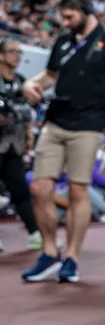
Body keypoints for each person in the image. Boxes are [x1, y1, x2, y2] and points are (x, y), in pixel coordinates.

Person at [21, 0, 105, 283]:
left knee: (78, 191)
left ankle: (71, 257)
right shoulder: (63, 41)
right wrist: (32, 83)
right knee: (40, 188)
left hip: (89, 126)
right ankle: (48, 253)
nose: (66, 22)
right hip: (55, 123)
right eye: (63, 17)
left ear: (85, 10)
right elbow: (50, 77)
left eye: (70, 16)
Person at [0, 37, 40, 252]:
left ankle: (35, 234)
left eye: (19, 51)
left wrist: (28, 135)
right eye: (12, 51)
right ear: (1, 55)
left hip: (14, 144)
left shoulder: (21, 81)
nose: (17, 55)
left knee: (20, 190)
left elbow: (25, 114)